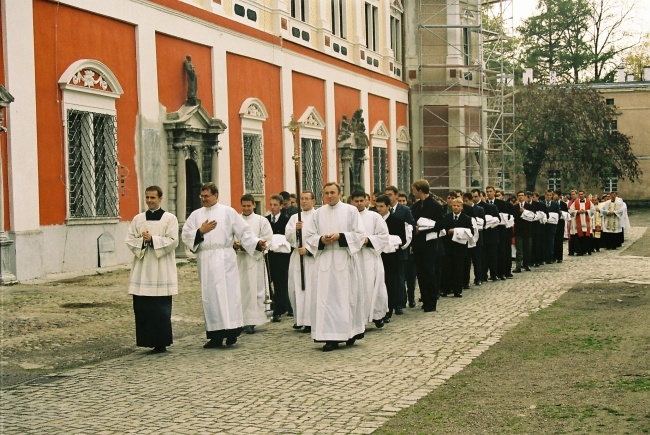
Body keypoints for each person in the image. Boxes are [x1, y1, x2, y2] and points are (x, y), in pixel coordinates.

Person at [181, 182, 266, 349]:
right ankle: (215, 336)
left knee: (229, 296)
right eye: (202, 196)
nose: (203, 199)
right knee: (210, 297)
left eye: (207, 196)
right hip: (206, 259)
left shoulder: (228, 212)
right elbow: (186, 234)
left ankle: (232, 332)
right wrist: (200, 232)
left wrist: (256, 243)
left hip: (225, 257)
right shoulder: (196, 215)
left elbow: (244, 231)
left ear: (216, 195)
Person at [304, 182, 366, 352]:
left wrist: (341, 236)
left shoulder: (350, 211)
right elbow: (309, 236)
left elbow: (360, 235)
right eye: (326, 193)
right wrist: (320, 240)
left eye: (332, 192)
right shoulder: (317, 214)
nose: (329, 196)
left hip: (343, 259)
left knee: (344, 298)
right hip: (324, 261)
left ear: (340, 193)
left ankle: (349, 332)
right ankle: (329, 337)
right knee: (325, 300)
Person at [126, 186, 179, 354]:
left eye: (153, 198)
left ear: (160, 198)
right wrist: (142, 241)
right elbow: (129, 240)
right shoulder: (138, 219)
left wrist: (153, 240)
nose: (149, 201)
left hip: (161, 267)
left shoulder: (170, 219)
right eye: (147, 197)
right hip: (143, 268)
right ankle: (146, 339)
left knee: (160, 308)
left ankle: (161, 341)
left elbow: (173, 241)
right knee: (143, 307)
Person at [351, 191, 390, 328]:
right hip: (353, 256)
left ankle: (377, 315)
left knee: (373, 285)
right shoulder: (348, 216)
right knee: (356, 288)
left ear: (367, 201)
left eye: (362, 200)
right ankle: (358, 318)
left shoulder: (374, 217)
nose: (359, 203)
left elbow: (384, 236)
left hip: (369, 256)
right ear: (351, 202)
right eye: (356, 201)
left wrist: (369, 240)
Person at [236, 194, 273, 334]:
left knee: (254, 290)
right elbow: (231, 237)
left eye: (248, 206)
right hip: (239, 260)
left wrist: (259, 245)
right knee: (239, 290)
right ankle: (239, 321)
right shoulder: (236, 220)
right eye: (243, 206)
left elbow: (268, 239)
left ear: (254, 205)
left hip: (255, 260)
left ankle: (252, 321)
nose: (246, 208)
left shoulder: (261, 221)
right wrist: (235, 245)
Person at [410, 179, 445, 312]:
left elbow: (441, 224)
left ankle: (431, 301)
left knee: (429, 271)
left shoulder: (435, 205)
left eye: (414, 190)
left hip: (430, 242)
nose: (413, 192)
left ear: (420, 190)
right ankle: (424, 298)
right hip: (418, 242)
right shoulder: (417, 205)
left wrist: (425, 228)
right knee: (420, 271)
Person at [286, 191, 317, 333]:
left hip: (312, 258)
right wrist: (295, 230)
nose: (303, 201)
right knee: (296, 287)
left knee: (310, 287)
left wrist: (309, 249)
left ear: (313, 201)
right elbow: (289, 237)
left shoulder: (318, 216)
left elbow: (320, 236)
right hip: (297, 257)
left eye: (306, 199)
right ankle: (299, 319)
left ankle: (310, 320)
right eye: (302, 199)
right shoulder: (294, 218)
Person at [384, 185, 415, 312]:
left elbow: (411, 225)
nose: (388, 197)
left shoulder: (405, 210)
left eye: (390, 194)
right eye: (386, 194)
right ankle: (391, 302)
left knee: (400, 276)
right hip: (387, 250)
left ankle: (400, 303)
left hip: (401, 248)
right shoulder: (382, 210)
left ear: (396, 195)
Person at [266, 194, 292, 322]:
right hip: (269, 255)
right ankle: (271, 305)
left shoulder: (286, 220)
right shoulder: (265, 220)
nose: (272, 207)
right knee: (267, 281)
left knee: (281, 282)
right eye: (271, 205)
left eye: (275, 205)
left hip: (282, 256)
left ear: (281, 206)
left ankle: (279, 309)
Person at [441, 198, 474, 297]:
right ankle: (445, 289)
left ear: (462, 207)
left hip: (460, 247)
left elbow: (470, 232)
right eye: (454, 205)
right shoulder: (446, 217)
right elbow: (443, 229)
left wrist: (456, 231)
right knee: (447, 269)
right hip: (448, 246)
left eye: (458, 206)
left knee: (458, 269)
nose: (456, 207)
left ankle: (457, 289)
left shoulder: (467, 218)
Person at [512, 191, 534, 273]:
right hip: (518, 231)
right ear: (517, 197)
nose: (521, 197)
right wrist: (521, 213)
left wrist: (525, 212)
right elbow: (514, 216)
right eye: (519, 195)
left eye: (522, 195)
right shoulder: (514, 207)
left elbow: (531, 217)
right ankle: (518, 266)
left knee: (527, 249)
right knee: (519, 250)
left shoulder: (529, 206)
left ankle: (527, 264)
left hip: (527, 230)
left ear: (525, 197)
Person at [569, 190, 593, 256]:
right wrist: (577, 211)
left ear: (584, 194)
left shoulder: (589, 202)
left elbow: (593, 210)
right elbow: (571, 210)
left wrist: (586, 211)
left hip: (586, 222)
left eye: (582, 194)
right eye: (579, 194)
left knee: (586, 237)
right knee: (579, 237)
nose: (580, 195)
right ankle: (579, 251)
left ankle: (587, 250)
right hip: (578, 223)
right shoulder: (575, 202)